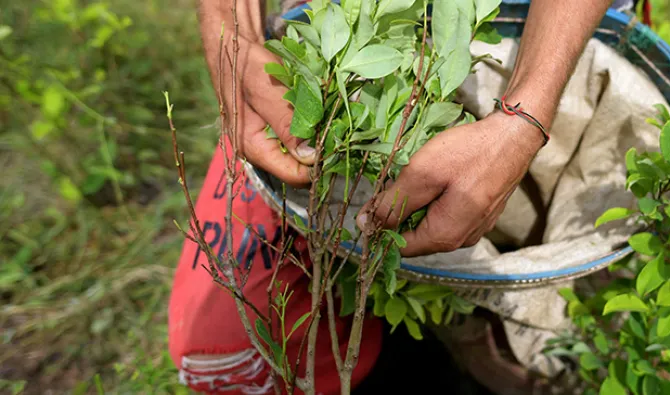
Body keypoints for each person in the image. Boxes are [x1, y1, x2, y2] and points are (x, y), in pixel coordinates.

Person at [168, 0, 639, 393]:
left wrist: (526, 115)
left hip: (551, 26)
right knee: (224, 343)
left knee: (558, 332)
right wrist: (230, 34)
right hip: (334, 46)